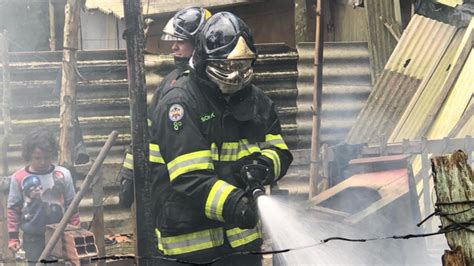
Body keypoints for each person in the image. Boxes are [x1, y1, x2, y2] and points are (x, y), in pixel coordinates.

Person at [147, 12, 293, 265]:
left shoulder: (257, 100)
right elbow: (189, 176)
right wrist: (234, 203)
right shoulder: (180, 103)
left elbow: (279, 149)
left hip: (242, 245)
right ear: (204, 59)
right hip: (190, 246)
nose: (235, 74)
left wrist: (264, 166)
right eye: (226, 66)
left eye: (242, 65)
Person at [118, 7, 212, 208]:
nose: (174, 48)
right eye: (174, 41)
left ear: (201, 43)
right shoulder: (170, 82)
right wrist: (129, 173)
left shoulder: (216, 86)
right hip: (167, 190)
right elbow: (146, 129)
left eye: (181, 41)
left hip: (202, 191)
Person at [7, 127, 80, 265]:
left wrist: (75, 231)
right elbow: (13, 209)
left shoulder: (63, 175)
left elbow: (72, 205)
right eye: (37, 158)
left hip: (60, 235)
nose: (42, 162)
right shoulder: (19, 178)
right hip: (33, 238)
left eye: (46, 157)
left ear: (52, 153)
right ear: (28, 155)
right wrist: (13, 238)